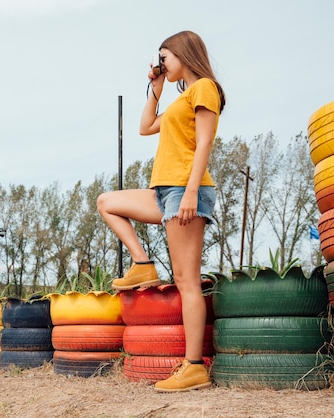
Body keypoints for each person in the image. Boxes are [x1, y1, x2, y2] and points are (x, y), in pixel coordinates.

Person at [96, 30, 225, 392]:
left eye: (164, 57)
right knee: (107, 202)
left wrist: (190, 191)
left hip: (187, 191)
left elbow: (204, 143)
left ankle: (194, 366)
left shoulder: (204, 88)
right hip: (164, 191)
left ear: (183, 54)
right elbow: (145, 127)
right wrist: (156, 86)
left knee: (187, 282)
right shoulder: (181, 99)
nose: (160, 63)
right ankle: (142, 264)